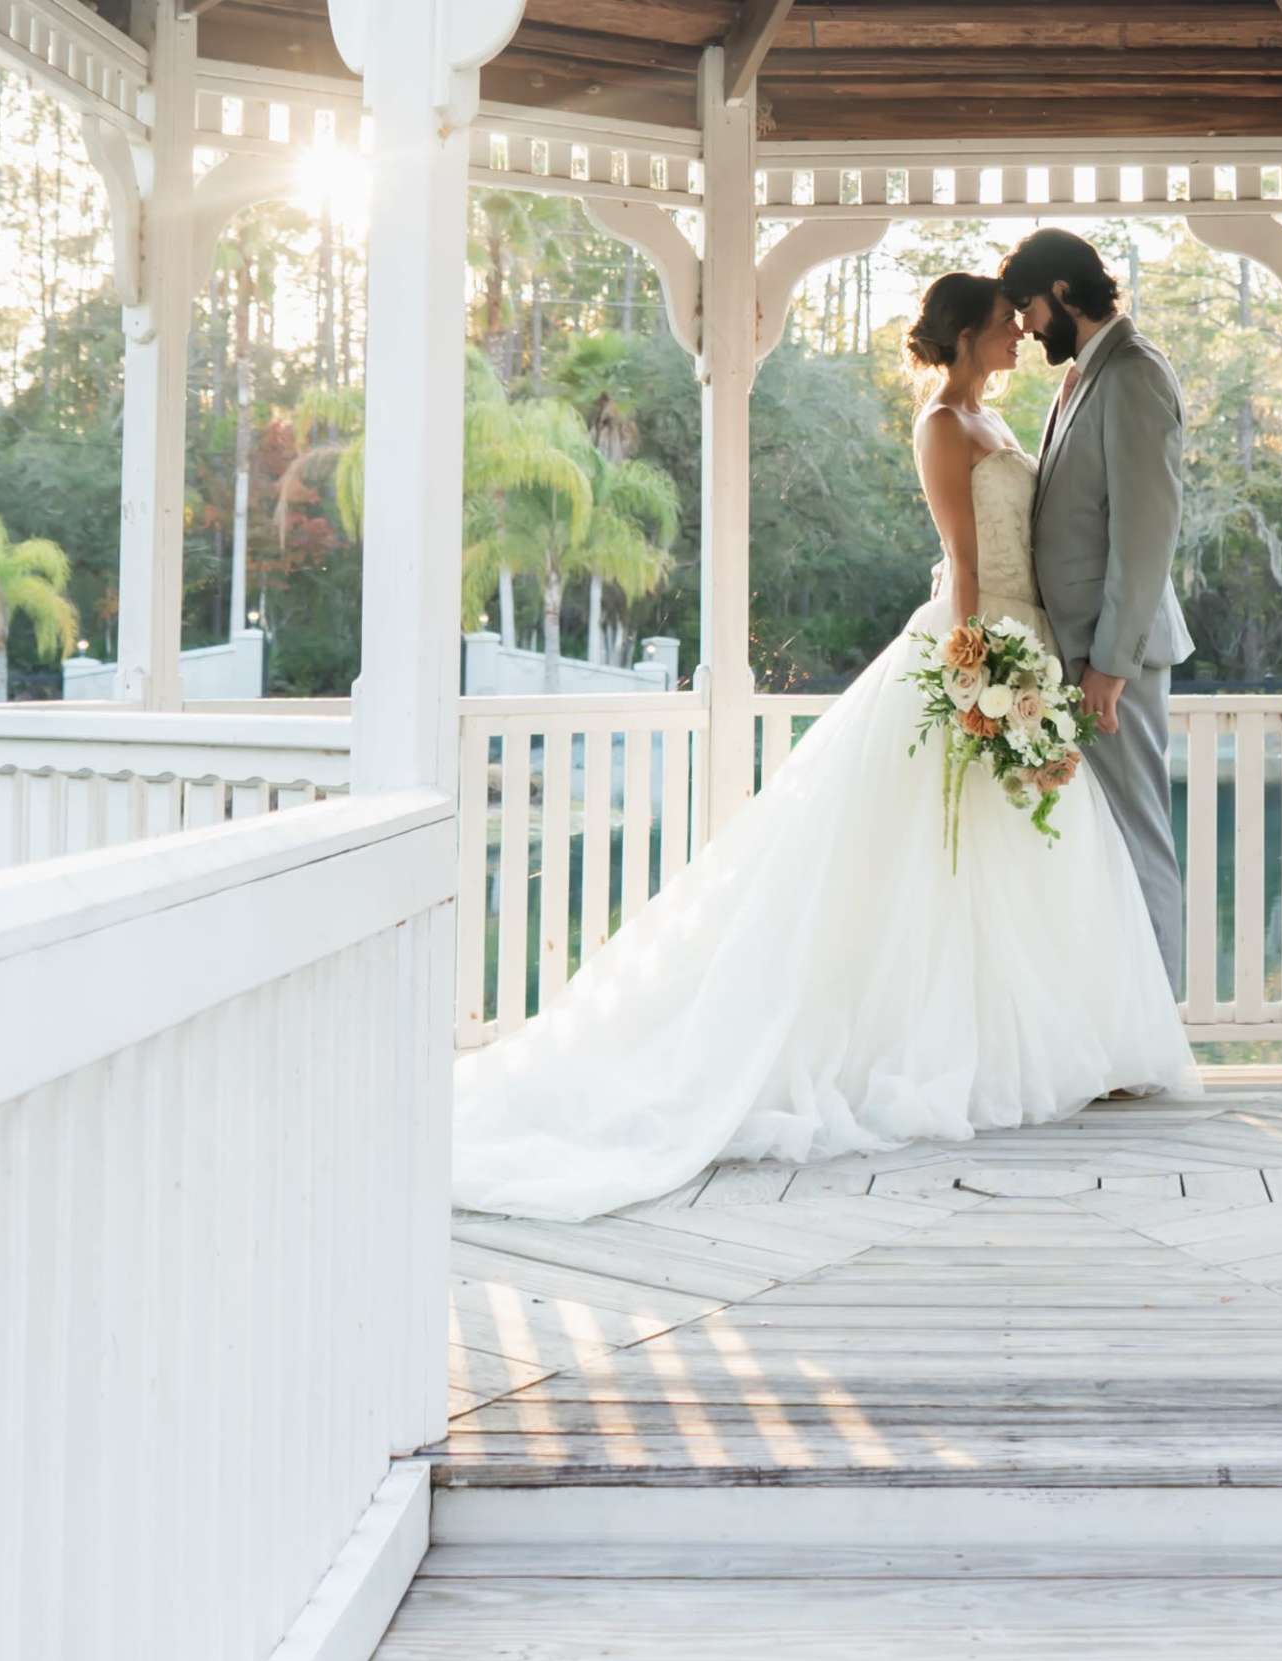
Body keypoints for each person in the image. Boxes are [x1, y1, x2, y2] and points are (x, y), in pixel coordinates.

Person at [448, 270, 1195, 1222]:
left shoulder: (1015, 416)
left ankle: (1031, 1045)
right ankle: (926, 1049)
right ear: (968, 332)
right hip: (979, 644)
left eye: (1023, 319)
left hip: (1034, 647)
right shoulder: (940, 427)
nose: (1018, 336)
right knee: (934, 862)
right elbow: (964, 562)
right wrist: (968, 669)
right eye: (1004, 325)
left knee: (1021, 861)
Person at [997, 227, 1195, 997]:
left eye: (1028, 307)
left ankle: (1155, 1035)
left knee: (1136, 836)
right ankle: (1117, 1025)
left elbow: (1145, 537)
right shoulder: (1084, 373)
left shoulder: (1135, 373)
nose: (1023, 325)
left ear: (1067, 295)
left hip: (1115, 659)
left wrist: (1109, 666)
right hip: (1076, 654)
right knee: (1100, 844)